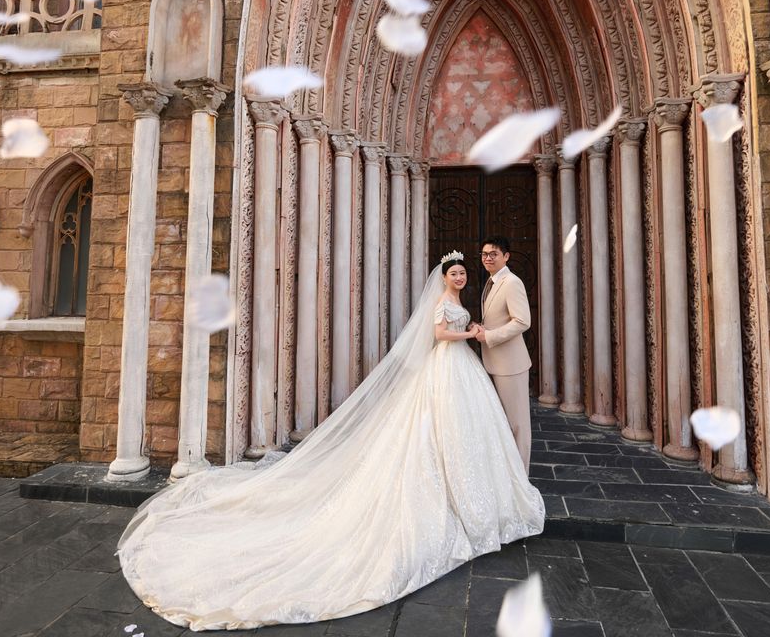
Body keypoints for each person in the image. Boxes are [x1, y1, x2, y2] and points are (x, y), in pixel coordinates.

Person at [116, 251, 544, 631]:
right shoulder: (441, 302)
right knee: (432, 431)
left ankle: (483, 484)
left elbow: (504, 321)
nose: (460, 276)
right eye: (455, 272)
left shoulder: (478, 294)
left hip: (463, 369)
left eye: (463, 271)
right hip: (450, 365)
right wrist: (469, 335)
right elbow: (437, 336)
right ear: (443, 276)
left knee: (471, 430)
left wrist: (473, 330)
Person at [475, 236, 533, 471]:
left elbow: (522, 321)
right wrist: (482, 328)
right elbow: (497, 317)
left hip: (511, 364)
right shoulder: (491, 281)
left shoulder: (512, 282)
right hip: (494, 362)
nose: (487, 258)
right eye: (484, 254)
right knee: (502, 421)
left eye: (493, 254)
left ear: (506, 256)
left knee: (517, 423)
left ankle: (521, 475)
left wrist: (489, 337)